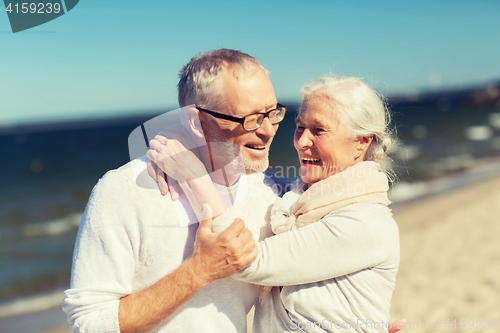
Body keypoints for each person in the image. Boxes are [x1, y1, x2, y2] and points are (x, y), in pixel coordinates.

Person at [63, 48, 404, 333]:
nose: (270, 131)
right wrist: (196, 272)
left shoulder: (273, 197)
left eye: (273, 113)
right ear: (196, 121)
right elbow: (89, 322)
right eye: (251, 119)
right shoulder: (126, 191)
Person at [147, 76, 400, 332]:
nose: (301, 142)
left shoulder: (367, 223)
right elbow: (252, 180)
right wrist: (188, 138)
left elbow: (246, 261)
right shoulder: (297, 197)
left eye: (318, 130)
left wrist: (193, 176)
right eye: (300, 127)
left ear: (361, 142)